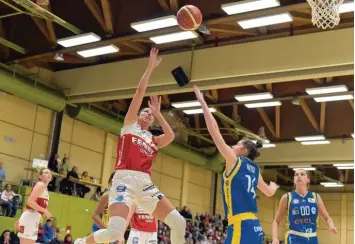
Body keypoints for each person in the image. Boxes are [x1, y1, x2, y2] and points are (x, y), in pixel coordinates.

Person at [75, 48, 185, 244]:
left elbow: (170, 135)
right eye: (145, 111)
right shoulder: (129, 126)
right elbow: (140, 91)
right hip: (123, 179)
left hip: (145, 182)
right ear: (137, 115)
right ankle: (82, 243)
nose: (147, 114)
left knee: (179, 222)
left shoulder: (153, 138)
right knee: (114, 233)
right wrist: (150, 68)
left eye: (150, 114)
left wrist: (158, 113)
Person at [192, 85, 279, 244]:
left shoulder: (234, 161)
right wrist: (274, 186)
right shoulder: (255, 170)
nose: (233, 146)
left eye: (237, 144)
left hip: (240, 225)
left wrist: (202, 101)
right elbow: (268, 192)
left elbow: (214, 130)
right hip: (255, 227)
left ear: (244, 150)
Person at [272, 169, 338, 244]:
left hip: (312, 238)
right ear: (294, 180)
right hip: (294, 238)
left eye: (302, 174)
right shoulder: (287, 197)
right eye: (296, 175)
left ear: (308, 180)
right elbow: (276, 221)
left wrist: (331, 225)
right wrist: (275, 238)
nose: (299, 176)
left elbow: (327, 218)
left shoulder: (315, 197)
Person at [15, 168, 52, 244]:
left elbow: (33, 205)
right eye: (46, 172)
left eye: (49, 173)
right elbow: (30, 202)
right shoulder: (40, 184)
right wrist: (45, 211)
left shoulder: (45, 188)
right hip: (30, 218)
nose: (49, 174)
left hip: (33, 218)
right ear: (40, 176)